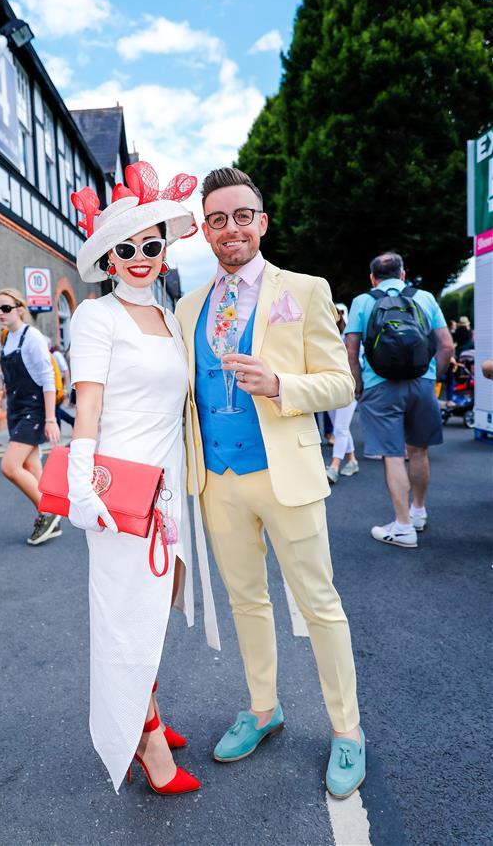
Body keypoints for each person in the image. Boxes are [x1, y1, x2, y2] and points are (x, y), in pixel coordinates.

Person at [175, 167, 365, 800]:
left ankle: (348, 730)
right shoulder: (187, 306)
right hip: (218, 480)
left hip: (286, 472)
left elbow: (341, 383)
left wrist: (283, 386)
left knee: (320, 604)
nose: (231, 228)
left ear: (262, 221)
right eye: (218, 219)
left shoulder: (305, 291)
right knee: (246, 601)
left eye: (242, 216)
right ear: (205, 230)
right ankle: (263, 708)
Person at [67, 162, 219, 796]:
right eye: (123, 249)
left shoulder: (164, 314)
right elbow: (90, 408)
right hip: (119, 489)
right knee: (126, 614)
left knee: (153, 607)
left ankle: (140, 707)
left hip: (167, 487)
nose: (137, 257)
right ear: (106, 258)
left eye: (149, 246)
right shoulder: (97, 318)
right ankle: (145, 741)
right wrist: (81, 487)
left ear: (165, 250)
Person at [345, 253, 454, 547]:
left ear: (372, 278)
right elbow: (446, 345)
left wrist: (358, 386)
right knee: (419, 451)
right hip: (422, 382)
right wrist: (434, 378)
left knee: (393, 454)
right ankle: (418, 512)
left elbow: (351, 349)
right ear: (403, 274)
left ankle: (402, 525)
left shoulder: (363, 302)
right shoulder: (426, 298)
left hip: (380, 385)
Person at [0, 288, 62, 546]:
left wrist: (50, 419)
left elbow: (46, 379)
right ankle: (47, 520)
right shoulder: (5, 338)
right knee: (32, 467)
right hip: (15, 408)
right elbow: (13, 374)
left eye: (6, 308)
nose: (1, 313)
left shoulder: (32, 336)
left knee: (10, 467)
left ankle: (48, 512)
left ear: (20, 309)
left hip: (33, 409)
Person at [325, 304, 359, 483]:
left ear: (340, 315)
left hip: (348, 387)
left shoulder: (348, 338)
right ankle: (352, 460)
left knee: (340, 428)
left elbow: (356, 361)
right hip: (329, 388)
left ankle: (334, 466)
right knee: (341, 427)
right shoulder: (325, 336)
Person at [50, 344, 75, 430]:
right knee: (55, 409)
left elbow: (65, 370)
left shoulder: (55, 354)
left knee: (55, 408)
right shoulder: (51, 355)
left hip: (58, 385)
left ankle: (58, 429)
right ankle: (71, 421)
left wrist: (65, 389)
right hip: (55, 385)